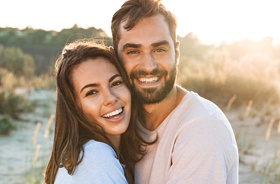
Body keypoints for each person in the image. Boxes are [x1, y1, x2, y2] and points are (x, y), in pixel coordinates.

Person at [111, 0, 239, 183]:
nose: (149, 66)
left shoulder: (203, 130)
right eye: (133, 51)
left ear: (176, 53)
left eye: (159, 49)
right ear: (115, 57)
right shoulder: (119, 119)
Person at [44, 39, 149, 184]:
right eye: (92, 92)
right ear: (74, 107)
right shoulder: (95, 157)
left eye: (116, 83)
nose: (110, 98)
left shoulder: (82, 155)